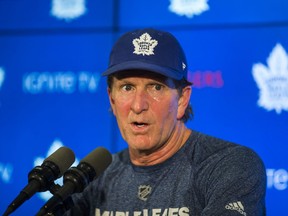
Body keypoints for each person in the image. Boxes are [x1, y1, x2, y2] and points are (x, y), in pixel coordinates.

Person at [65, 28, 266, 215]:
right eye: (127, 87)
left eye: (155, 87)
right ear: (112, 99)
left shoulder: (227, 165)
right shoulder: (95, 177)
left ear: (182, 100)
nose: (138, 105)